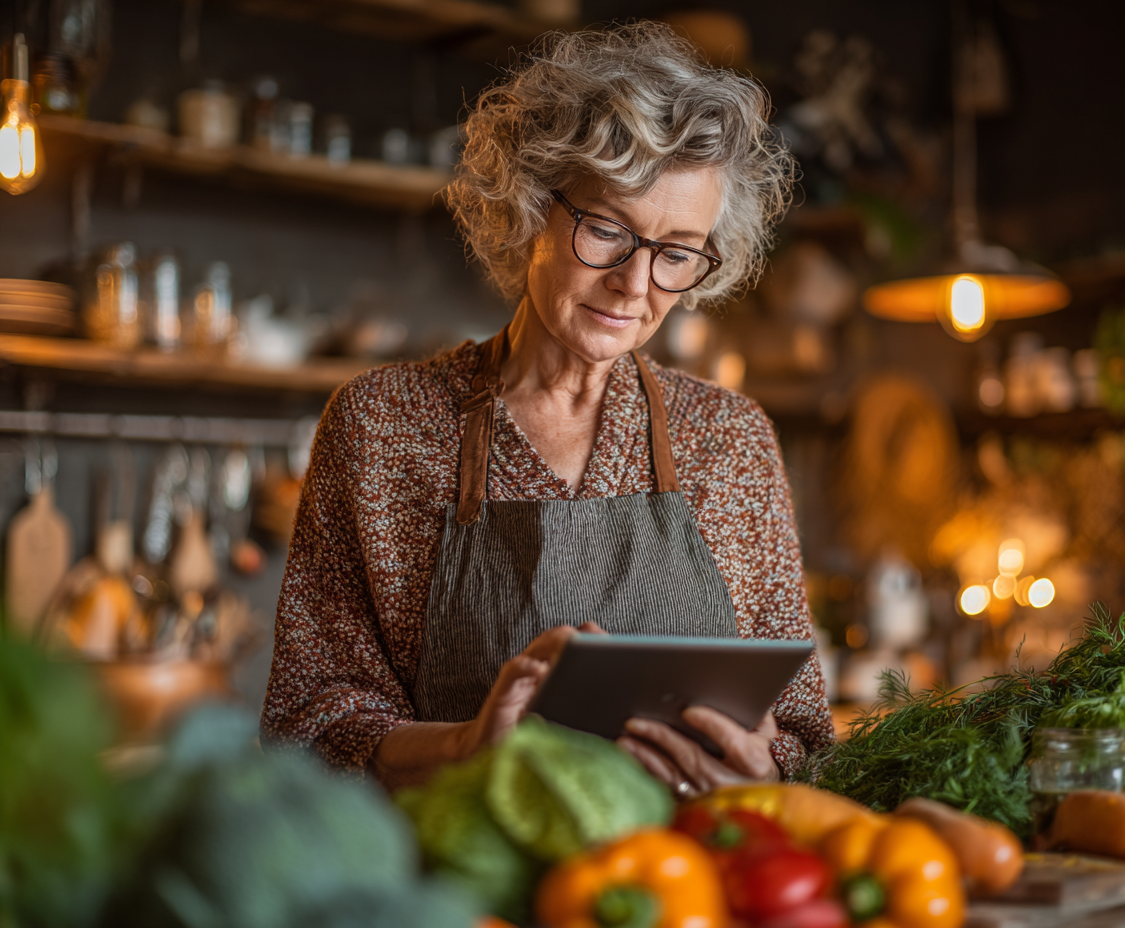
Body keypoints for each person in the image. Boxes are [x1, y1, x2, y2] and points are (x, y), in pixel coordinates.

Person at [260, 21, 835, 797]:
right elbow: (308, 721)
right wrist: (468, 745)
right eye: (607, 230)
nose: (637, 286)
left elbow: (802, 729)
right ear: (530, 206)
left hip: (680, 890)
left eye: (676, 252)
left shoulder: (729, 440)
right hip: (463, 887)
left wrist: (762, 765)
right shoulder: (382, 425)